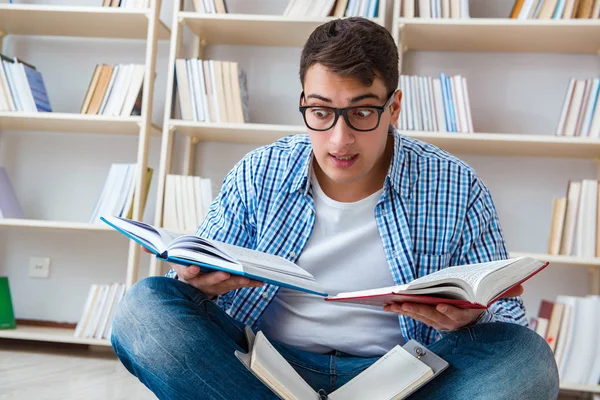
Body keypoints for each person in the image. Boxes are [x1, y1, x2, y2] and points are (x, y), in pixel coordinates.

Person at [111, 17, 559, 400]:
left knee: (527, 360)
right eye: (321, 112)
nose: (339, 139)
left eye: (362, 113)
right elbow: (186, 290)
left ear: (394, 107)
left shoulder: (456, 185)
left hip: (405, 380)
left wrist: (472, 318)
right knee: (142, 310)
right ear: (303, 103)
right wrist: (198, 282)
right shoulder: (259, 172)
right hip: (263, 372)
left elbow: (506, 326)